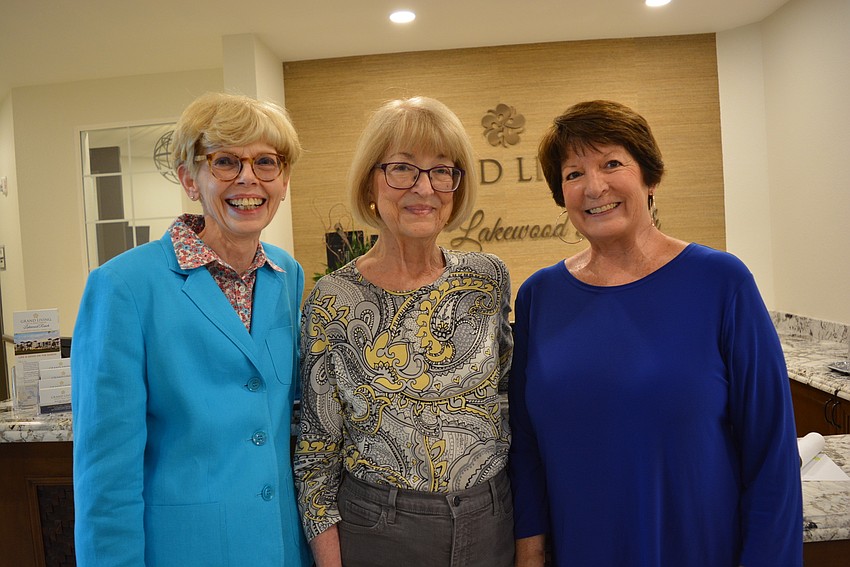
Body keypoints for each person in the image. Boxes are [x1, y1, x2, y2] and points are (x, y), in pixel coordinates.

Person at [509, 100, 802, 567]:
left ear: (649, 176)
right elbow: (524, 443)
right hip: (580, 547)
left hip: (697, 545)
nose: (594, 186)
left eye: (611, 163)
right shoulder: (539, 296)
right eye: (573, 173)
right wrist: (530, 548)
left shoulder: (721, 282)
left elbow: (771, 452)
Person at [71, 92, 312, 567]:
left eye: (266, 162)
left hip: (283, 547)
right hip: (185, 550)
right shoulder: (122, 286)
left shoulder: (287, 274)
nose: (249, 178)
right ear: (189, 179)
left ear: (283, 181)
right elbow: (106, 475)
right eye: (225, 161)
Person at [294, 96, 514, 567]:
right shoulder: (334, 298)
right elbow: (315, 454)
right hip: (380, 527)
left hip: (490, 518)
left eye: (442, 170)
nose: (425, 188)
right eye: (403, 169)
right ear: (371, 183)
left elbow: (505, 400)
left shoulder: (488, 278)